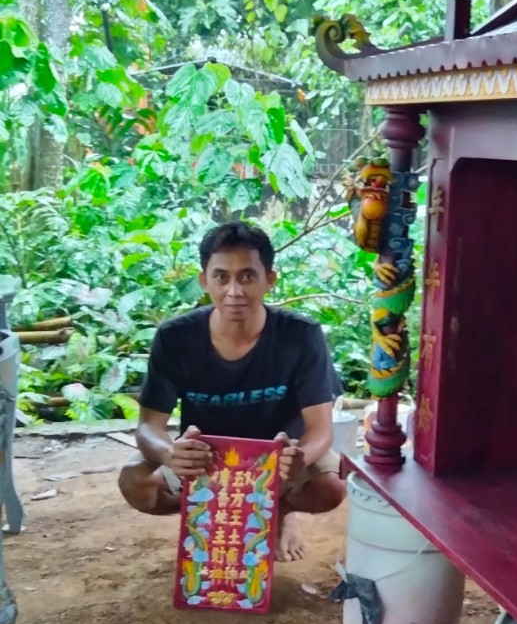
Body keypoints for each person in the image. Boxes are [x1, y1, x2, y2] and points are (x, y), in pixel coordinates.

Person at [118, 221, 346, 561]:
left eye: (248, 276)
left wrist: (301, 457)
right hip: (205, 461)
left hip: (277, 459)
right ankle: (210, 517)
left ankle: (279, 512)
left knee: (332, 487)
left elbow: (321, 427)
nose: (234, 291)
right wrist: (170, 454)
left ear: (270, 279)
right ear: (204, 281)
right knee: (134, 482)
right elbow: (149, 427)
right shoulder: (175, 338)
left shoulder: (301, 335)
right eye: (222, 277)